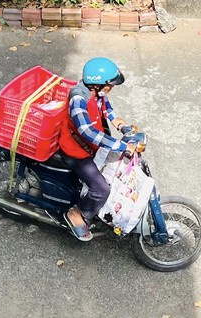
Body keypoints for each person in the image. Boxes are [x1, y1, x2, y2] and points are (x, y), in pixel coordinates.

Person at [59, 57, 136, 241]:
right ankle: (77, 214)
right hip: (76, 152)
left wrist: (120, 124)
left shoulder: (98, 93)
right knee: (101, 189)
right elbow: (86, 131)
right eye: (109, 85)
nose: (111, 89)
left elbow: (106, 109)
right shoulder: (78, 99)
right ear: (97, 85)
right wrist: (120, 145)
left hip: (91, 147)